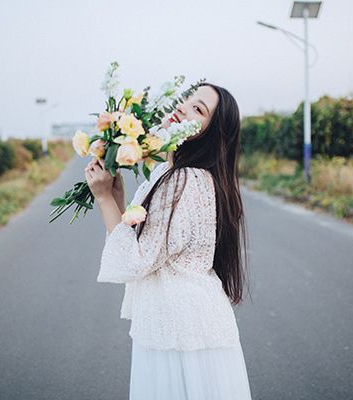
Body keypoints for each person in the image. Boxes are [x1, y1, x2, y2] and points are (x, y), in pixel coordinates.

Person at [85, 83, 252, 400]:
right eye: (188, 101)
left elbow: (135, 261)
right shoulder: (170, 171)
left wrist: (104, 197)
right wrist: (117, 199)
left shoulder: (185, 180)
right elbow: (146, 246)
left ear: (209, 134)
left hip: (180, 332)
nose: (184, 108)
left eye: (198, 110)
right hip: (184, 327)